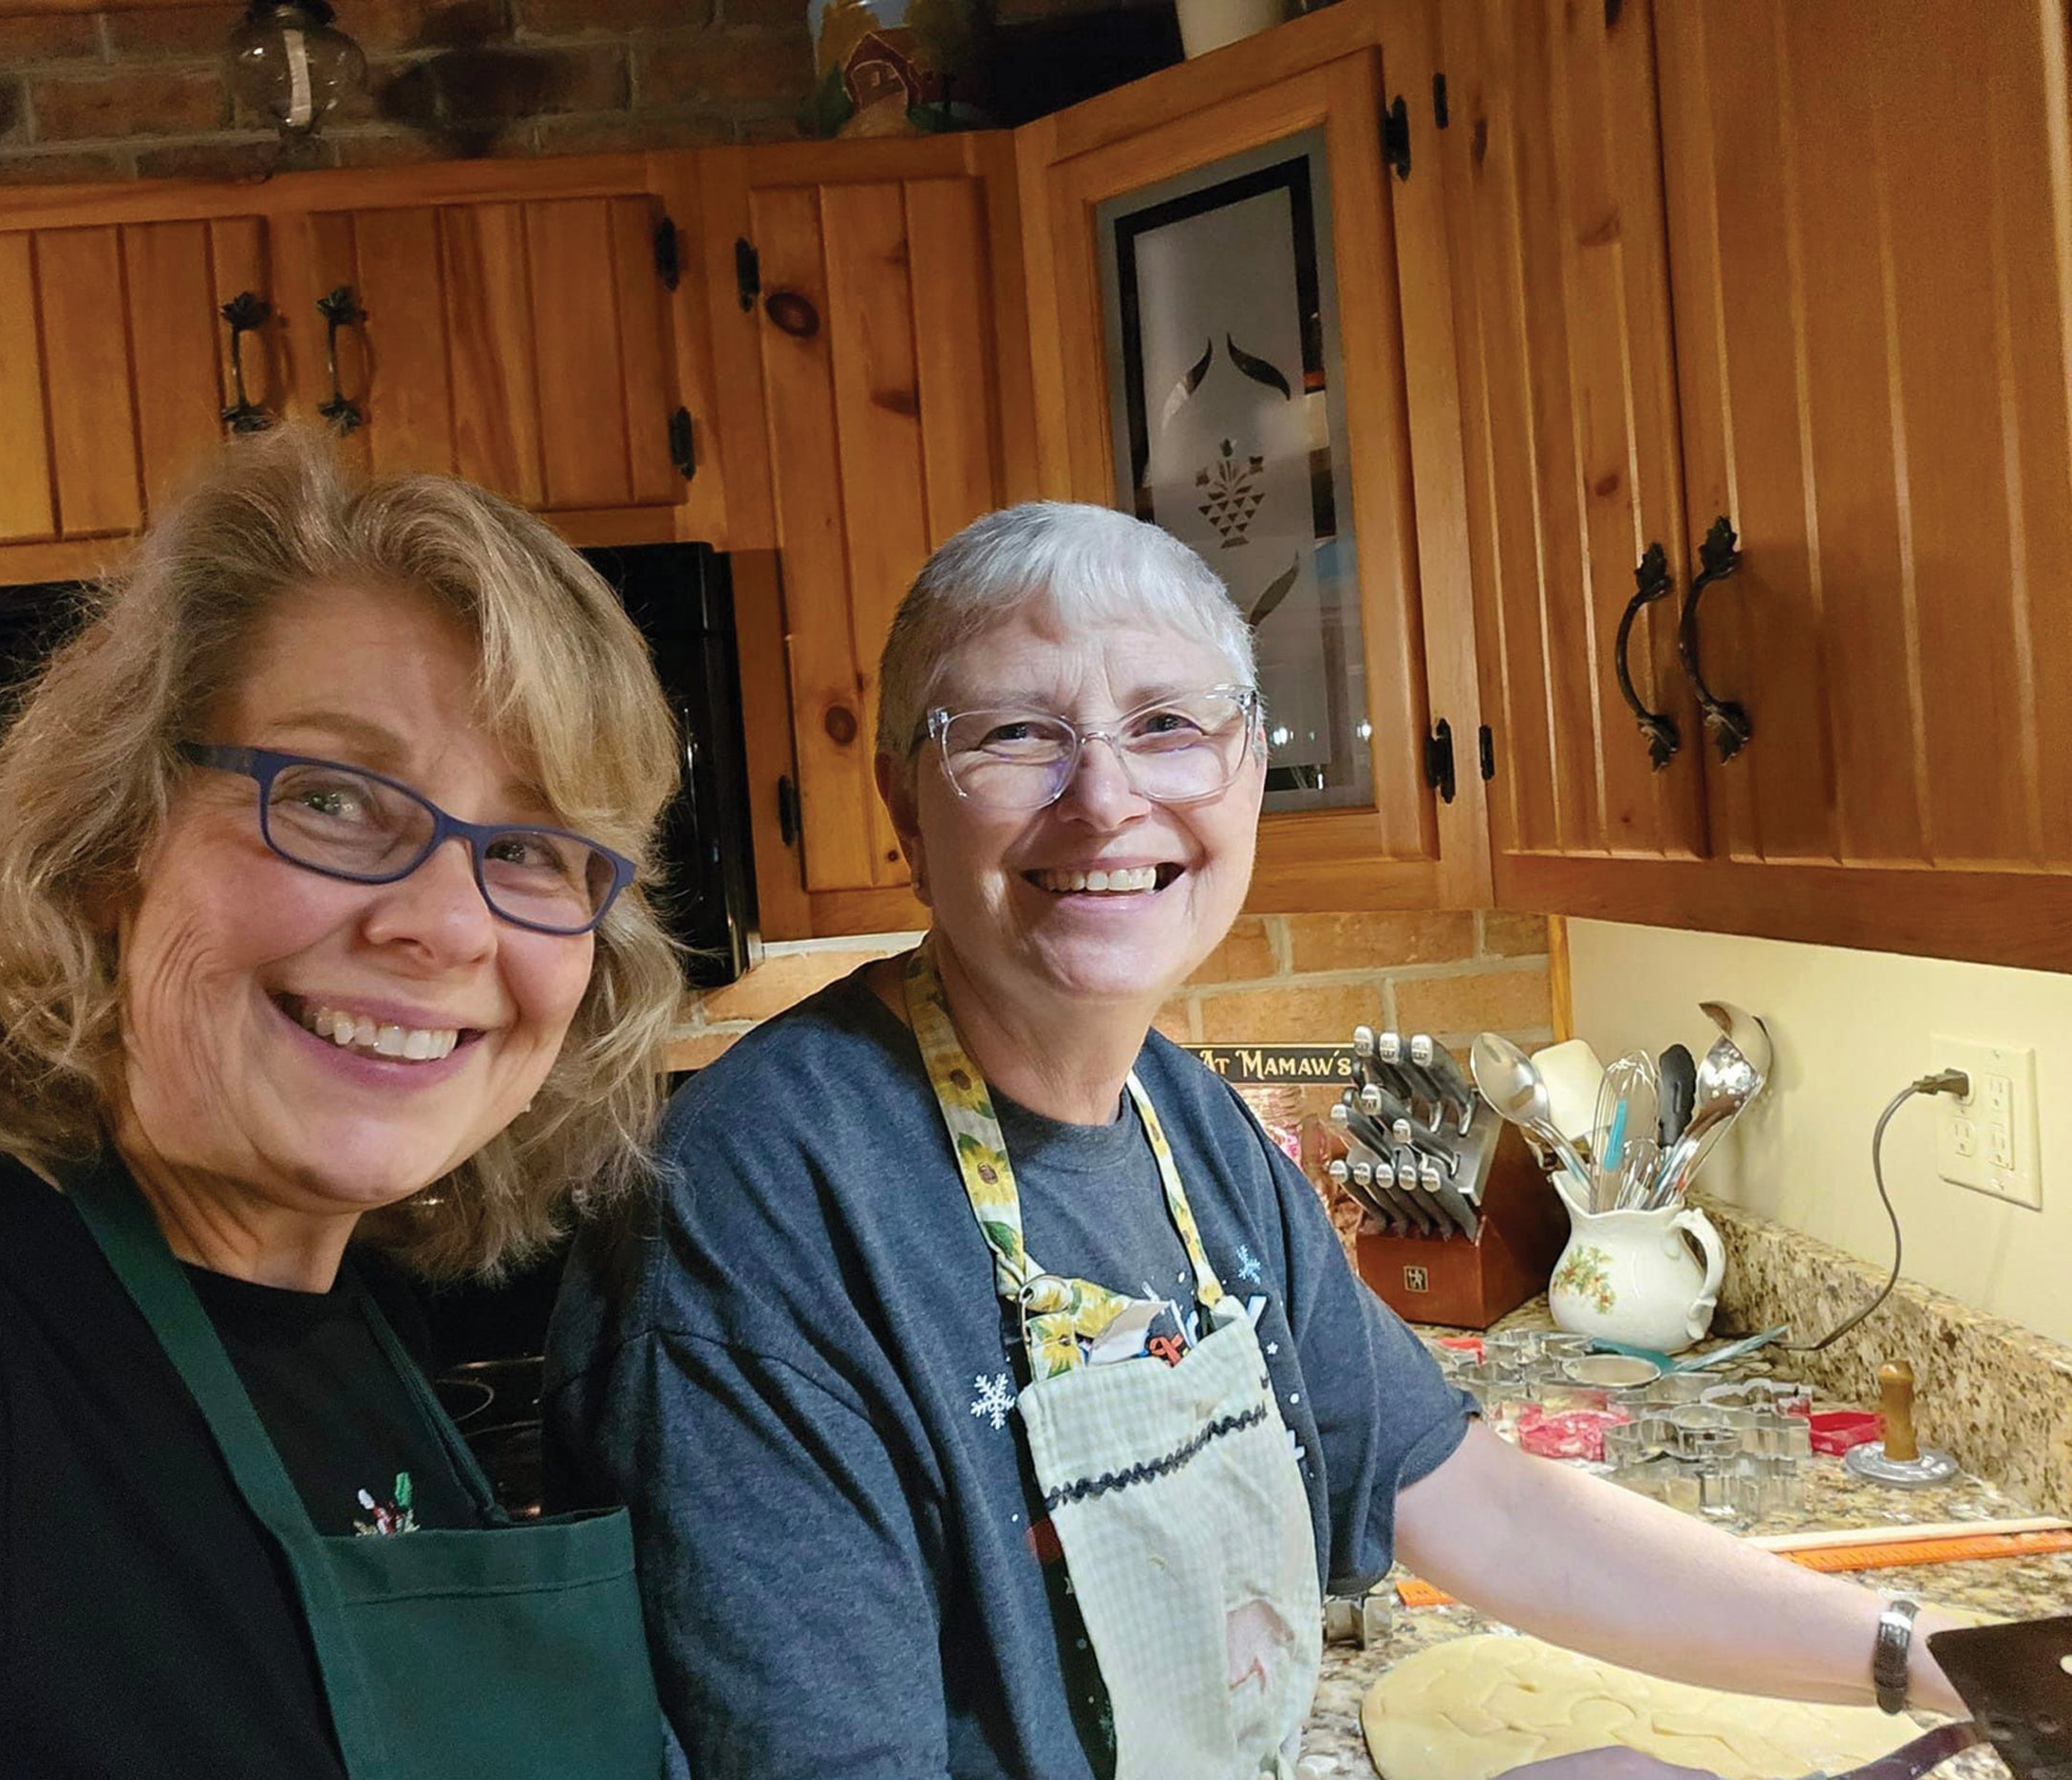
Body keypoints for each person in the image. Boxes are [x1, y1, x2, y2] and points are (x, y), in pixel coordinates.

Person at [545, 501, 1967, 1779]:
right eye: (1016, 734)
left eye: (1170, 724)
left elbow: (1478, 1505)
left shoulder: (1187, 1126)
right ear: (905, 811)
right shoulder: (754, 1212)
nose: (1108, 801)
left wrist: (1912, 1657)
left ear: (1244, 773)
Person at [0, 429, 685, 1779]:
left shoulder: (360, 1332)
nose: (447, 926)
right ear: (113, 845)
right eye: (333, 798)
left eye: (530, 847)